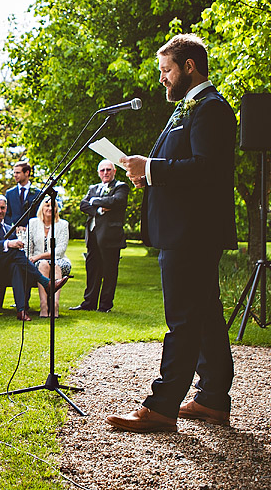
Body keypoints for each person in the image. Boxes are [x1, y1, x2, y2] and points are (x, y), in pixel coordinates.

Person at [109, 33, 237, 433]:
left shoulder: (211, 108)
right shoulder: (189, 108)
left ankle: (162, 406)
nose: (162, 78)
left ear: (189, 67)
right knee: (206, 315)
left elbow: (206, 170)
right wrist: (147, 175)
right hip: (184, 228)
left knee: (182, 318)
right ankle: (213, 399)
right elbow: (187, 168)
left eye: (166, 70)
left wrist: (152, 168)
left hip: (192, 233)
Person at [0, 195, 64, 321]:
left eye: (2, 208)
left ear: (6, 209)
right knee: (15, 253)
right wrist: (8, 244)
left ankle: (21, 310)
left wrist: (16, 245)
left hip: (2, 270)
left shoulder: (9, 228)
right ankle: (45, 282)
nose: (0, 211)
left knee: (16, 264)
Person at [72, 159, 129, 313]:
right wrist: (99, 209)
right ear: (98, 173)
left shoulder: (121, 187)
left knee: (109, 271)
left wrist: (95, 201)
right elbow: (83, 205)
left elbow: (117, 201)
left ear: (114, 171)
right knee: (92, 269)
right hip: (92, 235)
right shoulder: (93, 188)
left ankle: (105, 306)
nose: (105, 172)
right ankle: (88, 303)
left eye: (108, 169)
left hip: (110, 236)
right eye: (102, 170)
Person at [26, 196, 72, 317]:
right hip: (37, 262)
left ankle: (55, 304)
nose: (50, 208)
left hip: (59, 260)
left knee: (55, 266)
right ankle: (44, 305)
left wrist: (39, 256)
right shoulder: (33, 223)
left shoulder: (63, 224)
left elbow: (60, 250)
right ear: (42, 207)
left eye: (53, 206)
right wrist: (33, 258)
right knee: (43, 265)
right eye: (47, 205)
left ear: (57, 209)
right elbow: (28, 247)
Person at [4, 161, 40, 226]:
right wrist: (13, 228)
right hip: (13, 233)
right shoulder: (9, 193)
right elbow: (6, 215)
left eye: (18, 173)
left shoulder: (38, 193)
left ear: (27, 173)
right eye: (14, 173)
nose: (15, 175)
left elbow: (39, 215)